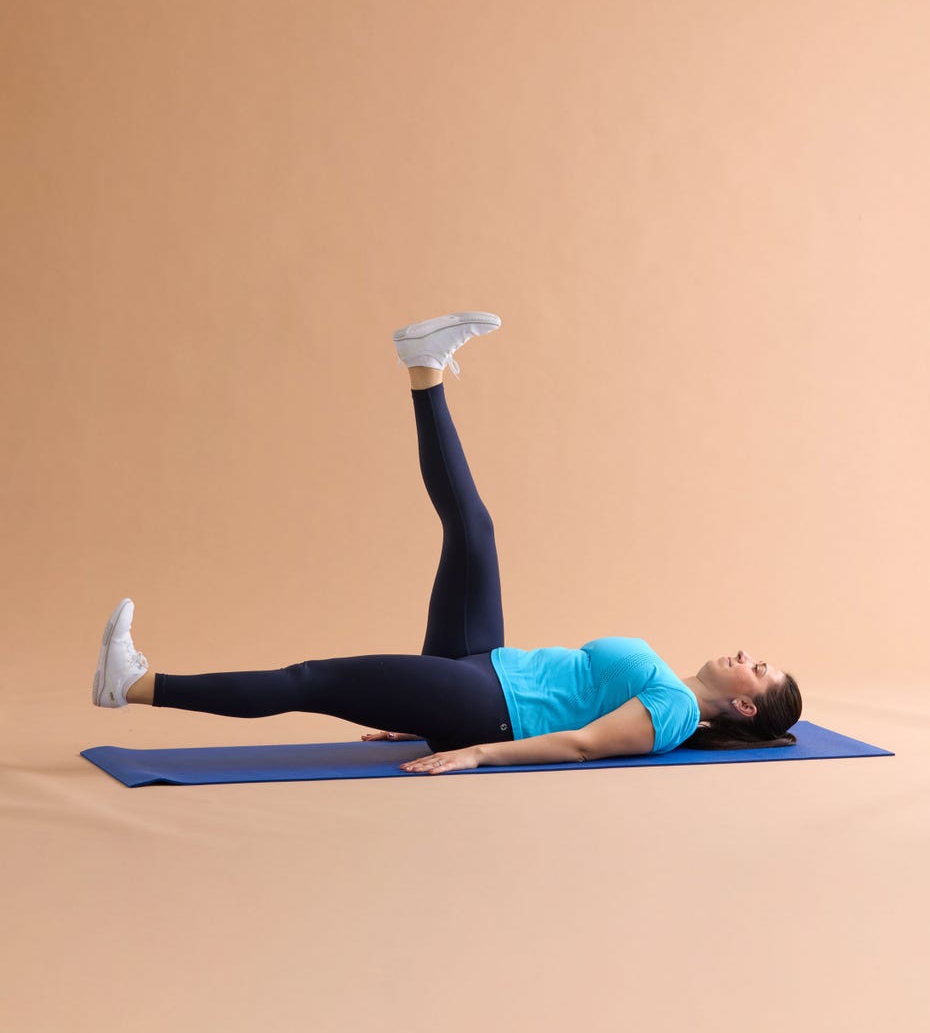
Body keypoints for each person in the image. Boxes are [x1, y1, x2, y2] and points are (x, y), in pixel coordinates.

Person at [92, 312, 803, 774]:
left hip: (484, 704)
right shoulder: (672, 688)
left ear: (745, 707)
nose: (746, 654)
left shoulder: (676, 712)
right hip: (483, 665)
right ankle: (424, 368)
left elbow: (583, 746)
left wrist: (477, 752)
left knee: (311, 680)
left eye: (758, 669)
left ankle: (135, 685)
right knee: (474, 530)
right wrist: (416, 717)